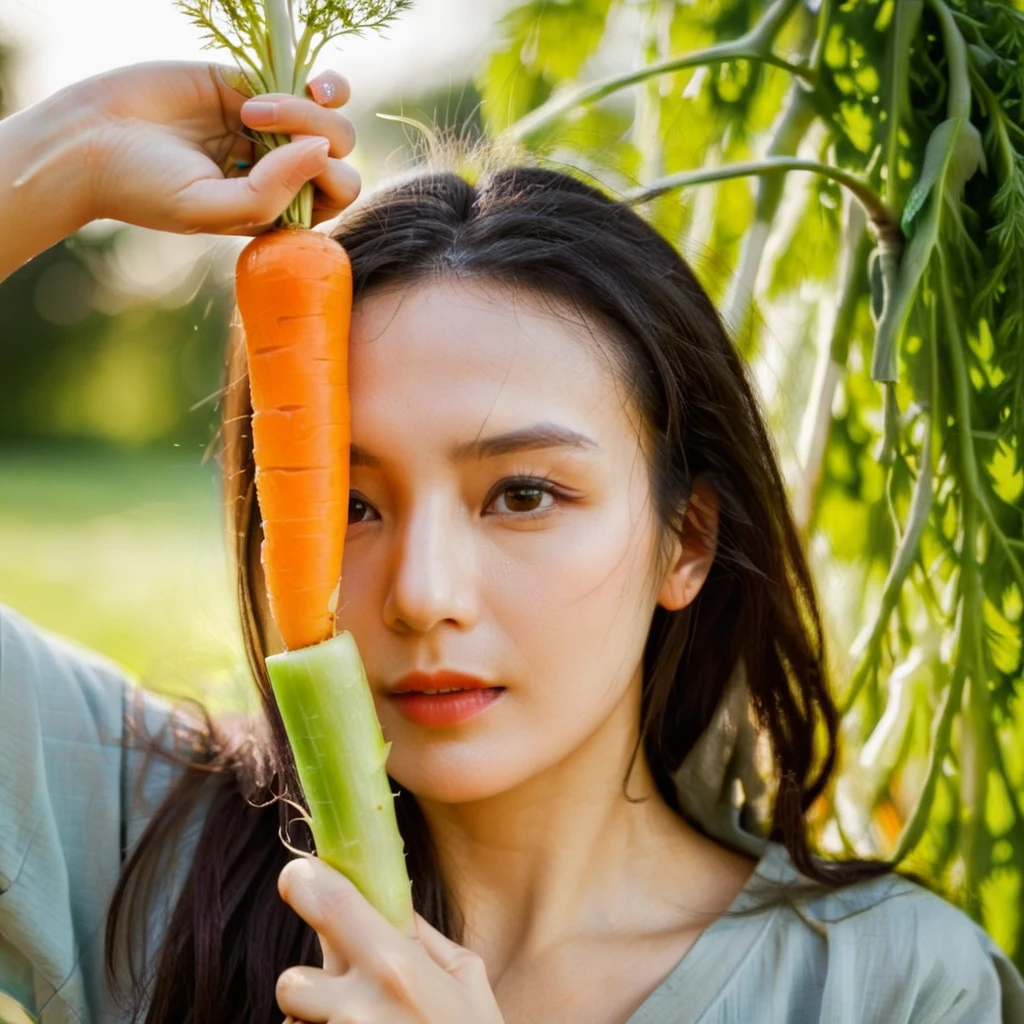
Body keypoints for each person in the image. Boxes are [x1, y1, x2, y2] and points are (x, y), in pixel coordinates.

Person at [1, 60, 1022, 1024]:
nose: (422, 592)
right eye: (349, 504)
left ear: (687, 540)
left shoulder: (885, 983)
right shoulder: (146, 844)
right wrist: (65, 155)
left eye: (523, 494)